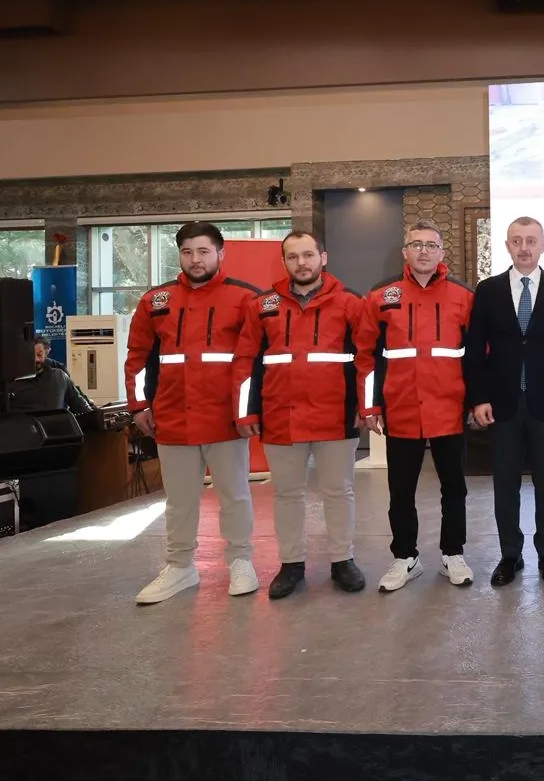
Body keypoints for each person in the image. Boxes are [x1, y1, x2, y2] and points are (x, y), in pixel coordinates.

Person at [125, 222, 261, 604]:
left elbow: (256, 360)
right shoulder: (155, 302)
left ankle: (241, 561)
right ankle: (180, 566)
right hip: (173, 418)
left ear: (220, 253)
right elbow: (137, 357)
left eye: (203, 251)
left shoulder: (245, 299)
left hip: (225, 419)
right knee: (179, 500)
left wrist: (249, 411)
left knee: (234, 495)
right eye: (187, 252)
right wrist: (138, 405)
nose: (195, 260)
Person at [232, 231, 368, 599]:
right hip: (281, 416)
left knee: (339, 492)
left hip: (336, 416)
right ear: (284, 262)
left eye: (308, 255)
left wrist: (366, 406)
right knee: (286, 495)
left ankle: (342, 560)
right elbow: (246, 361)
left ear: (323, 258)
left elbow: (365, 359)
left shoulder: (351, 303)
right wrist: (246, 412)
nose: (301, 263)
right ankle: (291, 564)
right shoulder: (262, 305)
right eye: (292, 257)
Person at [356, 222, 475, 592]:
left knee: (454, 487)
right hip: (402, 409)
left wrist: (475, 402)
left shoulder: (463, 296)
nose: (424, 251)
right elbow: (365, 357)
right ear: (405, 251)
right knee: (400, 490)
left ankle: (453, 553)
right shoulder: (381, 296)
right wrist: (369, 407)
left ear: (442, 252)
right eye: (416, 244)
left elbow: (477, 356)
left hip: (449, 409)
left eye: (431, 245)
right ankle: (405, 557)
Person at [465, 216, 544, 586]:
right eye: (517, 240)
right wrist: (478, 399)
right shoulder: (488, 290)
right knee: (505, 484)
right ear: (507, 246)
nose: (524, 248)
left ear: (543, 245)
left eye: (531, 240)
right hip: (502, 404)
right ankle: (510, 555)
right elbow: (474, 351)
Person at [7, 335, 94, 415]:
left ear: (46, 353)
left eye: (39, 355)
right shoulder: (8, 383)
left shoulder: (59, 377)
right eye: (31, 355)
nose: (36, 359)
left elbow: (84, 409)